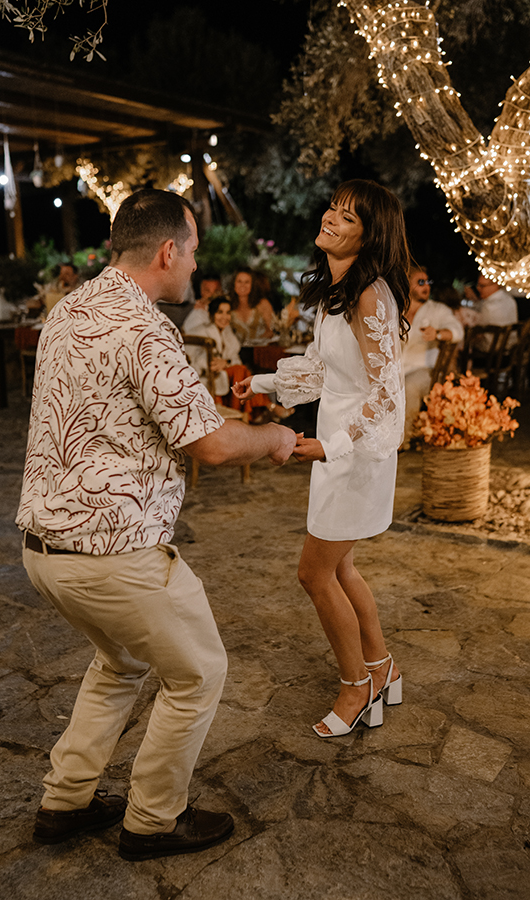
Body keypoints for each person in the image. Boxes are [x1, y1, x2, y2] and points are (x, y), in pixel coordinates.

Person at [16, 189, 296, 860]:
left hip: (43, 550)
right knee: (198, 672)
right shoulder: (144, 328)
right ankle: (153, 821)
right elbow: (212, 445)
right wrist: (276, 438)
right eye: (194, 251)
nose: (195, 265)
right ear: (168, 251)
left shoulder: (68, 311)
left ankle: (66, 801)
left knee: (121, 660)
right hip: (113, 553)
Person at [233, 179, 409, 738]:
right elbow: (321, 370)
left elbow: (385, 392)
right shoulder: (337, 292)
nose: (331, 218)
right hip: (340, 447)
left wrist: (331, 446)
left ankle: (356, 685)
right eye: (333, 209)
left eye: (348, 217)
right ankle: (383, 668)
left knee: (314, 572)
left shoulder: (370, 294)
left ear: (369, 236)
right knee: (339, 566)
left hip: (356, 450)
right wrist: (257, 383)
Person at [401, 267, 464, 445]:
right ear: (407, 284)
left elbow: (457, 331)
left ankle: (403, 442)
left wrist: (438, 333)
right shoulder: (395, 309)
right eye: (420, 282)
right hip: (395, 369)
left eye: (428, 282)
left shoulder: (438, 309)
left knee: (409, 386)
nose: (426, 286)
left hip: (425, 371)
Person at [185, 295, 245, 400]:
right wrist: (214, 365)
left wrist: (226, 363)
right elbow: (190, 358)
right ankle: (263, 408)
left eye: (228, 313)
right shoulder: (201, 332)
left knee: (241, 371)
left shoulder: (228, 333)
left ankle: (251, 409)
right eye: (220, 312)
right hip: (203, 376)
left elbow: (236, 359)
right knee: (240, 371)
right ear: (211, 314)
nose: (224, 317)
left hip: (225, 375)